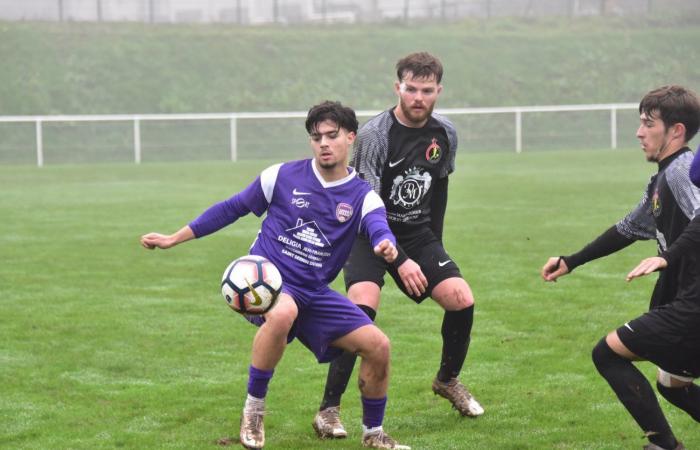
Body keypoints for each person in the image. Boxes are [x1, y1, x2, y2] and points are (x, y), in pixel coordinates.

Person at [141, 101, 410, 450]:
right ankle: (254, 410)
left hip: (314, 291)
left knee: (379, 346)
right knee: (283, 312)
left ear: (350, 138)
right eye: (316, 137)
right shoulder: (281, 176)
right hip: (269, 283)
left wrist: (386, 244)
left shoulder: (363, 196)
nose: (323, 143)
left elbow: (378, 227)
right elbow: (232, 207)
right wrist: (175, 237)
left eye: (331, 136)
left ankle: (373, 434)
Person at [312, 52, 483, 440]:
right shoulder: (375, 135)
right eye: (410, 89)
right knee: (360, 314)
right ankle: (328, 410)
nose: (418, 97)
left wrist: (432, 243)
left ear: (438, 90)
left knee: (461, 299)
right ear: (397, 88)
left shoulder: (446, 133)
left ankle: (447, 380)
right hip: (366, 232)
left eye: (426, 90)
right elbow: (369, 207)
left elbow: (439, 186)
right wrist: (401, 260)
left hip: (417, 235)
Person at [541, 85, 700, 450]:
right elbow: (627, 228)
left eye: (648, 123)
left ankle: (664, 445)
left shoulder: (683, 172)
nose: (639, 132)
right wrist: (571, 261)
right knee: (672, 385)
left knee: (607, 353)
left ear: (676, 130)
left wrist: (668, 256)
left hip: (693, 305)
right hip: (684, 301)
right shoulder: (662, 178)